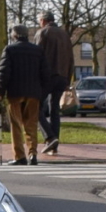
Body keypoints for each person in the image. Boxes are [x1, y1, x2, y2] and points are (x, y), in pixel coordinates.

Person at [0, 27, 45, 165]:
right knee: (31, 124)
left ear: (15, 35)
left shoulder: (10, 50)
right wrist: (41, 91)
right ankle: (33, 154)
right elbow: (45, 73)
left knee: (16, 125)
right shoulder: (38, 50)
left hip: (15, 93)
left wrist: (0, 92)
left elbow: (3, 72)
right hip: (33, 93)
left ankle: (19, 156)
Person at [36, 10, 74, 155]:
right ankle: (54, 144)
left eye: (39, 20)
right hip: (62, 77)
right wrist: (68, 78)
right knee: (54, 111)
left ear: (44, 21)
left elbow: (37, 55)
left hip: (47, 76)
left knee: (35, 109)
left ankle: (49, 137)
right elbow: (71, 59)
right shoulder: (65, 35)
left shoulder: (43, 33)